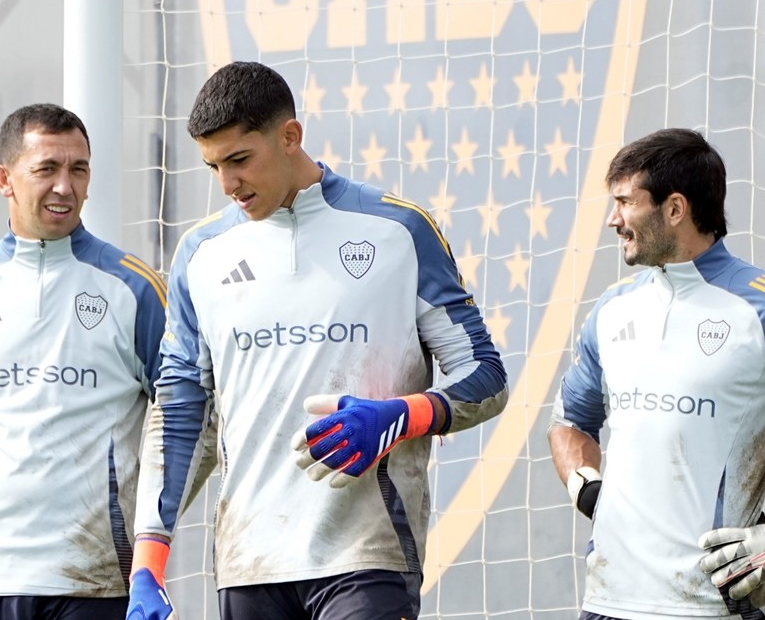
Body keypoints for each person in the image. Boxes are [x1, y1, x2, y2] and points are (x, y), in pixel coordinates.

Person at [126, 61, 509, 620]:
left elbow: (486, 377)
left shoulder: (399, 231)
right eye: (213, 166)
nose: (228, 185)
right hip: (249, 562)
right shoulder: (200, 254)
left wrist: (400, 417)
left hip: (367, 555)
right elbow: (181, 409)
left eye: (239, 160)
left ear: (290, 136)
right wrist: (147, 563)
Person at [547, 128, 765, 619]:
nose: (614, 219)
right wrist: (590, 492)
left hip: (713, 607)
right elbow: (570, 422)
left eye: (625, 203)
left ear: (675, 209)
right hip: (605, 603)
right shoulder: (611, 310)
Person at [0, 103, 167, 619]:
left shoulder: (135, 289)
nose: (65, 187)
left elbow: (189, 426)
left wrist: (139, 522)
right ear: (3, 179)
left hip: (96, 584)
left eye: (79, 169)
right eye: (46, 169)